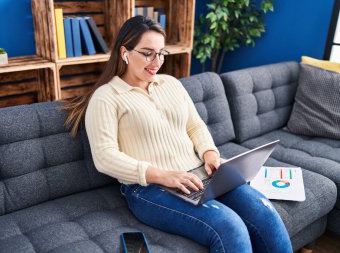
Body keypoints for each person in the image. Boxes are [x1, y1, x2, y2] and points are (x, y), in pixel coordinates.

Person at [61, 16, 293, 253]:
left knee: (265, 210)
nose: (156, 62)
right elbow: (105, 157)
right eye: (148, 53)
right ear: (125, 52)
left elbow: (195, 126)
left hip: (201, 173)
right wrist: (163, 175)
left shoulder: (170, 84)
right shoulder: (106, 97)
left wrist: (210, 154)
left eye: (161, 53)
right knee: (230, 226)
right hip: (149, 188)